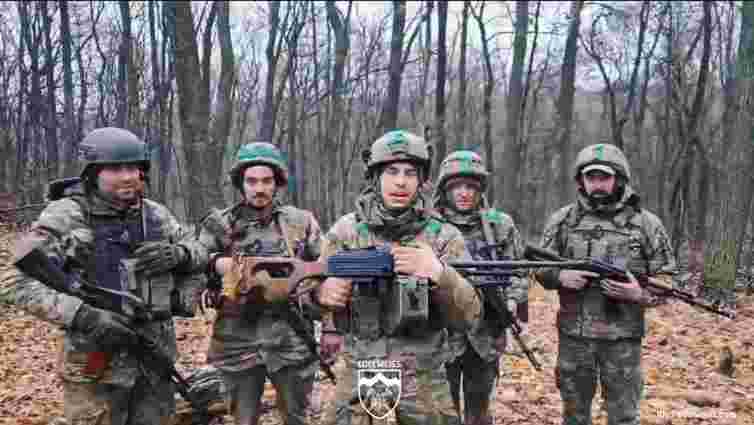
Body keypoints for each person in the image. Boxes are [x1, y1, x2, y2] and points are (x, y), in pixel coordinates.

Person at [7, 127, 205, 425]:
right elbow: (13, 281)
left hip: (152, 361)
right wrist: (83, 315)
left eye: (133, 168)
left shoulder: (155, 214)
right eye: (114, 169)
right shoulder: (67, 215)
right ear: (92, 173)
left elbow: (200, 252)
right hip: (95, 365)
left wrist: (181, 256)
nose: (127, 177)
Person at [316, 129, 481, 424]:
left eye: (410, 173)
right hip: (361, 368)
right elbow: (307, 293)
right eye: (392, 172)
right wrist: (322, 293)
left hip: (423, 375)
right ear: (376, 177)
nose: (401, 182)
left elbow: (470, 316)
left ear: (422, 180)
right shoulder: (347, 231)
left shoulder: (444, 236)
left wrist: (439, 273)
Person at [536, 143, 677, 425]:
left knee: (624, 417)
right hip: (574, 338)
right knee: (574, 416)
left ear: (619, 179)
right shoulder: (563, 221)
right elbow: (537, 266)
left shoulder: (646, 224)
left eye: (604, 177)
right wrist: (560, 276)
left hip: (623, 341)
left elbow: (667, 279)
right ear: (581, 180)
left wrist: (639, 294)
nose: (597, 184)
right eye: (591, 177)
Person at [192, 142, 323, 425]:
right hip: (236, 340)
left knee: (296, 416)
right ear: (241, 183)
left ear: (277, 183)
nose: (259, 188)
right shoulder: (219, 225)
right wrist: (219, 266)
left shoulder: (300, 222)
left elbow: (325, 272)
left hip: (291, 337)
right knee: (243, 418)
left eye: (266, 181)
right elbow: (195, 269)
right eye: (251, 181)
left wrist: (331, 327)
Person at [433, 150, 528, 425]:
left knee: (480, 410)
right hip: (440, 334)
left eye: (471, 186)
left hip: (485, 333)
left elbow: (520, 270)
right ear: (445, 189)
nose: (464, 193)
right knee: (442, 412)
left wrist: (512, 300)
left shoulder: (500, 225)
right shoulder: (429, 225)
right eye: (457, 186)